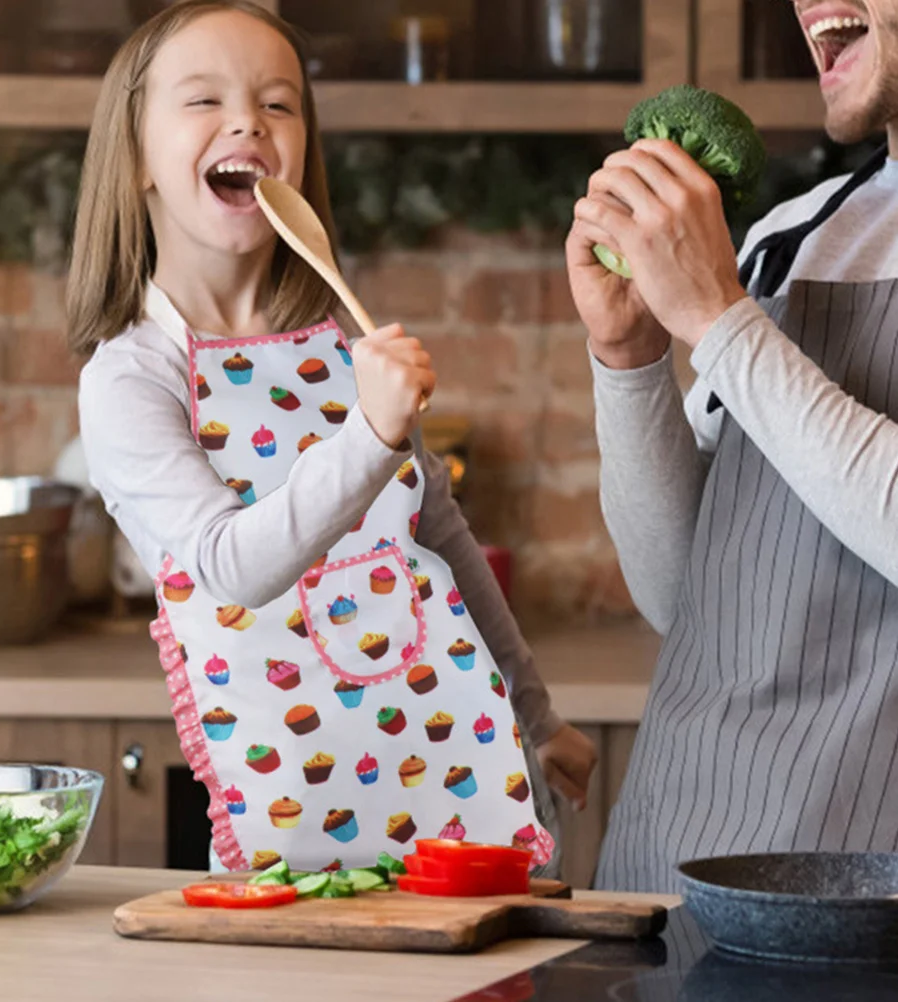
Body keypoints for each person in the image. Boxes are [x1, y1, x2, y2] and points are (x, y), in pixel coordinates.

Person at [70, 0, 596, 874]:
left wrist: (537, 721)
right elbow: (231, 568)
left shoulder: (342, 350)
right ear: (135, 161)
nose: (249, 119)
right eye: (204, 101)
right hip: (295, 825)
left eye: (278, 104)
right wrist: (370, 434)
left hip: (456, 779)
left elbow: (442, 539)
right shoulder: (130, 378)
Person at [567, 0, 898, 893]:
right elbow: (688, 597)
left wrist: (718, 319)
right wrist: (631, 361)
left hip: (858, 895)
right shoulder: (790, 238)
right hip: (663, 864)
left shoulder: (731, 284)